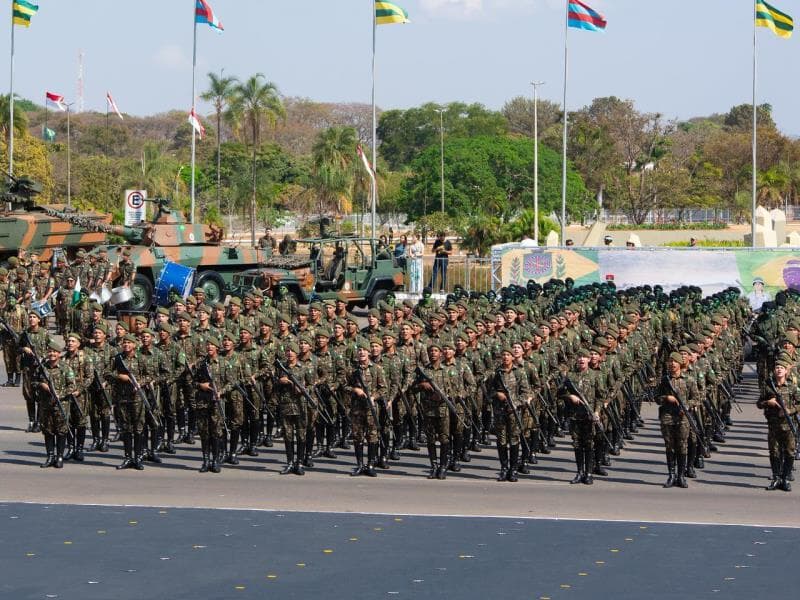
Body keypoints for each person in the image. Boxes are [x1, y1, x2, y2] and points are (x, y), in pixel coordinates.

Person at [757, 358, 797, 492]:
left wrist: (790, 411)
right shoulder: (768, 386)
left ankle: (785, 479)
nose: (779, 369)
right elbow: (759, 403)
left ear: (786, 371)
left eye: (781, 367)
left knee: (789, 452)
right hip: (773, 426)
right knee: (774, 452)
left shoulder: (791, 387)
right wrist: (769, 402)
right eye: (777, 367)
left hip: (788, 425)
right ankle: (776, 478)